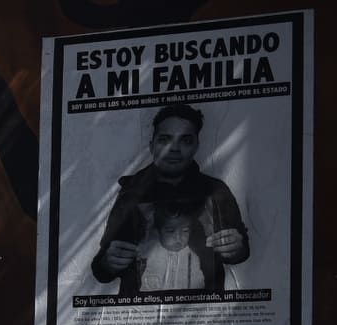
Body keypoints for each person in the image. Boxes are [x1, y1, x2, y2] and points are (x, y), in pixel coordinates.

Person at [91, 103, 249, 294]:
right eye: (165, 140)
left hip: (204, 315)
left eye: (186, 140)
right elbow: (101, 270)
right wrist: (109, 262)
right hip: (140, 316)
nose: (174, 148)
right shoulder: (131, 193)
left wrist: (236, 248)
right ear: (152, 146)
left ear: (197, 146)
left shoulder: (216, 191)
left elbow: (239, 254)